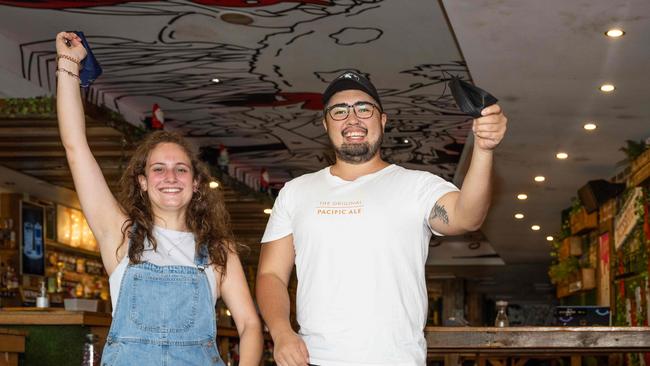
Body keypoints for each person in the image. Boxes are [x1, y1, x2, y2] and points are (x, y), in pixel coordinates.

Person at [256, 70, 507, 366]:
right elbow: (271, 274)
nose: (352, 119)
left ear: (382, 120)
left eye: (364, 108)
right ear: (325, 124)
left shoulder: (417, 186)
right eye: (339, 111)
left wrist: (483, 149)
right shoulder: (295, 192)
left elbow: (467, 217)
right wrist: (281, 332)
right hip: (314, 360)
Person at [55, 32, 262, 366]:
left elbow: (251, 325)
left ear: (196, 184)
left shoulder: (220, 250)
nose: (169, 177)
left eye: (180, 169)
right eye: (158, 169)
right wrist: (68, 65)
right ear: (142, 182)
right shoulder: (120, 236)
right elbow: (76, 147)